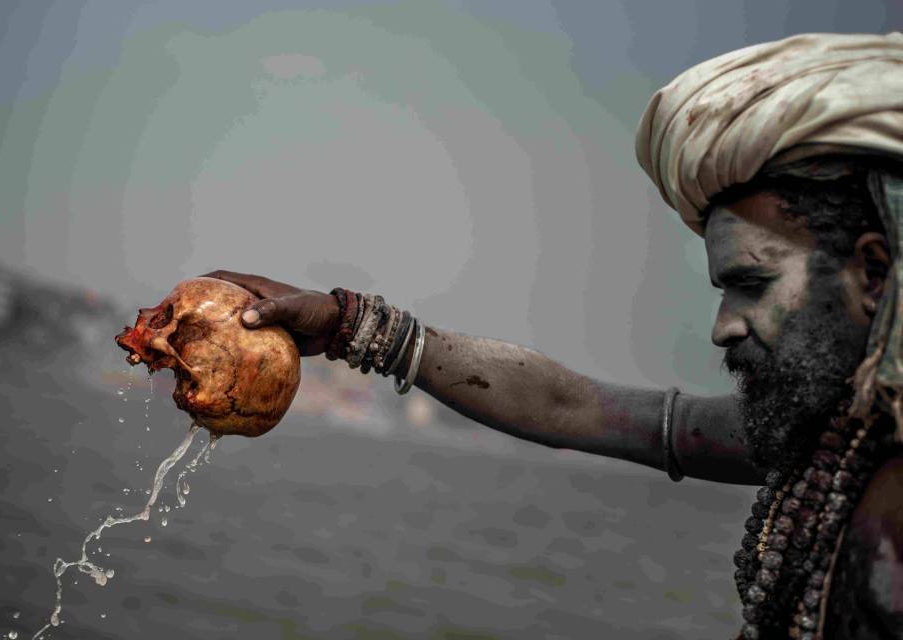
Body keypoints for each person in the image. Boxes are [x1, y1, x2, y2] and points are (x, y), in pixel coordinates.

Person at [205, 32, 903, 640]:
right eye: (722, 290)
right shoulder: (824, 442)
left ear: (872, 272)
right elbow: (568, 406)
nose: (724, 326)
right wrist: (349, 323)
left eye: (751, 284)